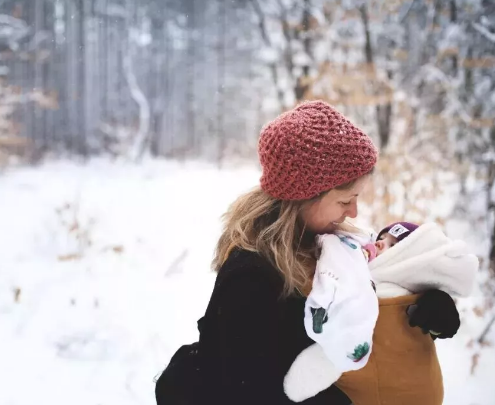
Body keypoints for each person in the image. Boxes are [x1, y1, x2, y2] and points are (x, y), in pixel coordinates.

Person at [154, 100, 462, 405]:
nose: (354, 212)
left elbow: (366, 307)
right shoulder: (251, 274)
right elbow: (246, 387)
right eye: (345, 201)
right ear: (305, 197)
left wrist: (429, 310)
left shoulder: (331, 244)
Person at [286, 221, 478, 404]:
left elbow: (347, 340)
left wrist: (441, 320)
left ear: (408, 259)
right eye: (382, 237)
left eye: (392, 245)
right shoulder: (352, 271)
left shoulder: (414, 297)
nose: (379, 243)